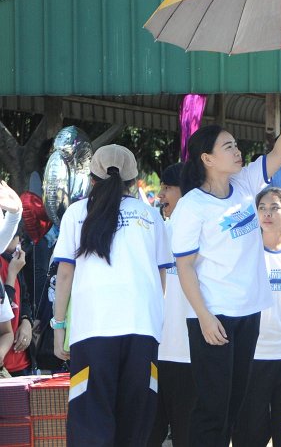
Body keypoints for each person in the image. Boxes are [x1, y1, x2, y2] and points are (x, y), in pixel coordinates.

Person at [170, 83, 281, 447]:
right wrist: (204, 317)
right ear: (207, 159)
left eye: (236, 145)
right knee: (213, 407)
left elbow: (279, 153)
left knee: (234, 404)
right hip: (215, 316)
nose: (237, 151)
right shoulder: (192, 205)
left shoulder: (247, 183)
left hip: (249, 312)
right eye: (228, 147)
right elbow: (185, 267)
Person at [51, 144, 172, 445]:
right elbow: (161, 276)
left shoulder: (76, 213)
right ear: (132, 180)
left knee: (89, 417)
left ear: (91, 178)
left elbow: (64, 274)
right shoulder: (150, 215)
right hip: (142, 329)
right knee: (136, 417)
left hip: (92, 329)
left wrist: (59, 327)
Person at [232, 187, 281, 447]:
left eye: (274, 208)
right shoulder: (246, 251)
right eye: (262, 208)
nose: (267, 213)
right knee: (248, 433)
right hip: (254, 353)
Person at [148, 163, 195, 447]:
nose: (161, 194)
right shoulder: (157, 230)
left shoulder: (203, 233)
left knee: (186, 435)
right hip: (153, 351)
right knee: (147, 433)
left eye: (167, 187)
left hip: (189, 354)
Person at [1, 231, 33, 376]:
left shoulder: (12, 261)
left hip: (20, 360)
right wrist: (12, 274)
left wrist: (26, 321)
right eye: (16, 236)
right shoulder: (13, 265)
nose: (19, 242)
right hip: (4, 363)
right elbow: (3, 310)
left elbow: (24, 298)